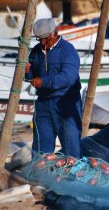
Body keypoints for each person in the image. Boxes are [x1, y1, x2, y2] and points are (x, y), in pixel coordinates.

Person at [25, 18, 82, 158]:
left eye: (45, 38)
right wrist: (27, 71)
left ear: (55, 33)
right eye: (39, 39)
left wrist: (43, 82)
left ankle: (73, 176)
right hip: (43, 103)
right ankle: (40, 175)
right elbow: (30, 77)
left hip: (66, 103)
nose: (42, 43)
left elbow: (68, 77)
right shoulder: (36, 51)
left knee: (71, 146)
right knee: (40, 147)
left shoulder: (68, 50)